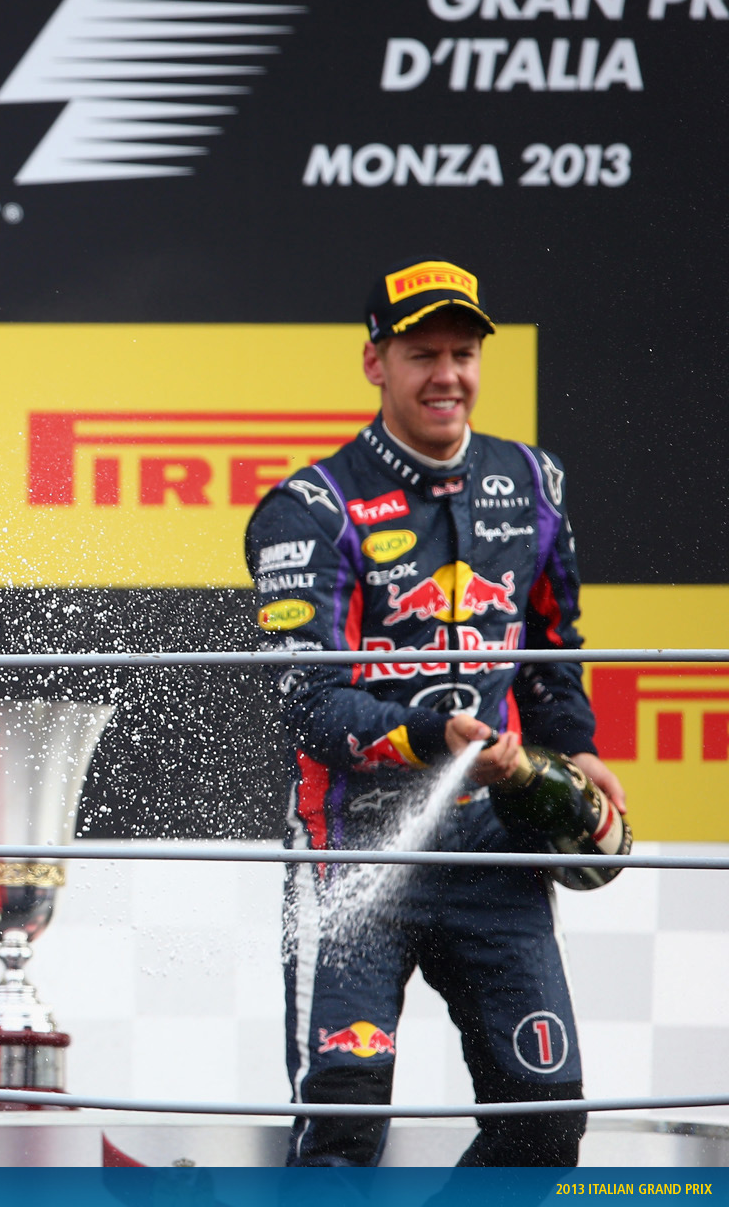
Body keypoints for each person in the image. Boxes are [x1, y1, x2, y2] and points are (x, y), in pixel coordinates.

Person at [244, 258, 626, 1167]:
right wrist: (430, 738)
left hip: (492, 848)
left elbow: (551, 642)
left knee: (545, 1125)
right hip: (355, 850)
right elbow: (309, 706)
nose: (446, 375)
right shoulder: (310, 508)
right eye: (422, 355)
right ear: (374, 362)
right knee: (341, 1134)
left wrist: (574, 744)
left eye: (463, 354)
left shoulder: (532, 482)